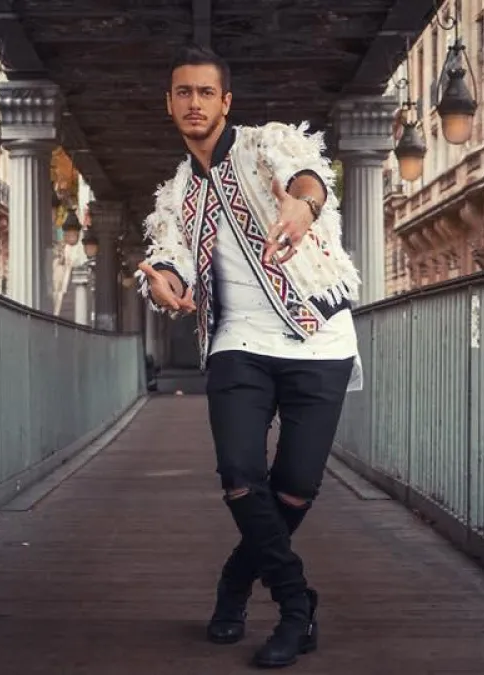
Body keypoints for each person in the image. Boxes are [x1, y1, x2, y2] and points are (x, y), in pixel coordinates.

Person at [132, 44, 363, 669]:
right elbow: (170, 256)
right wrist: (164, 281)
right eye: (184, 93)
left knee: (295, 490)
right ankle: (295, 605)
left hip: (319, 335)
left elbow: (307, 175)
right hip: (238, 341)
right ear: (169, 103)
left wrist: (301, 204)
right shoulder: (176, 194)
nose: (195, 103)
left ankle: (236, 581)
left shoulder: (265, 145)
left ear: (226, 101)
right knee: (239, 473)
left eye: (206, 93)